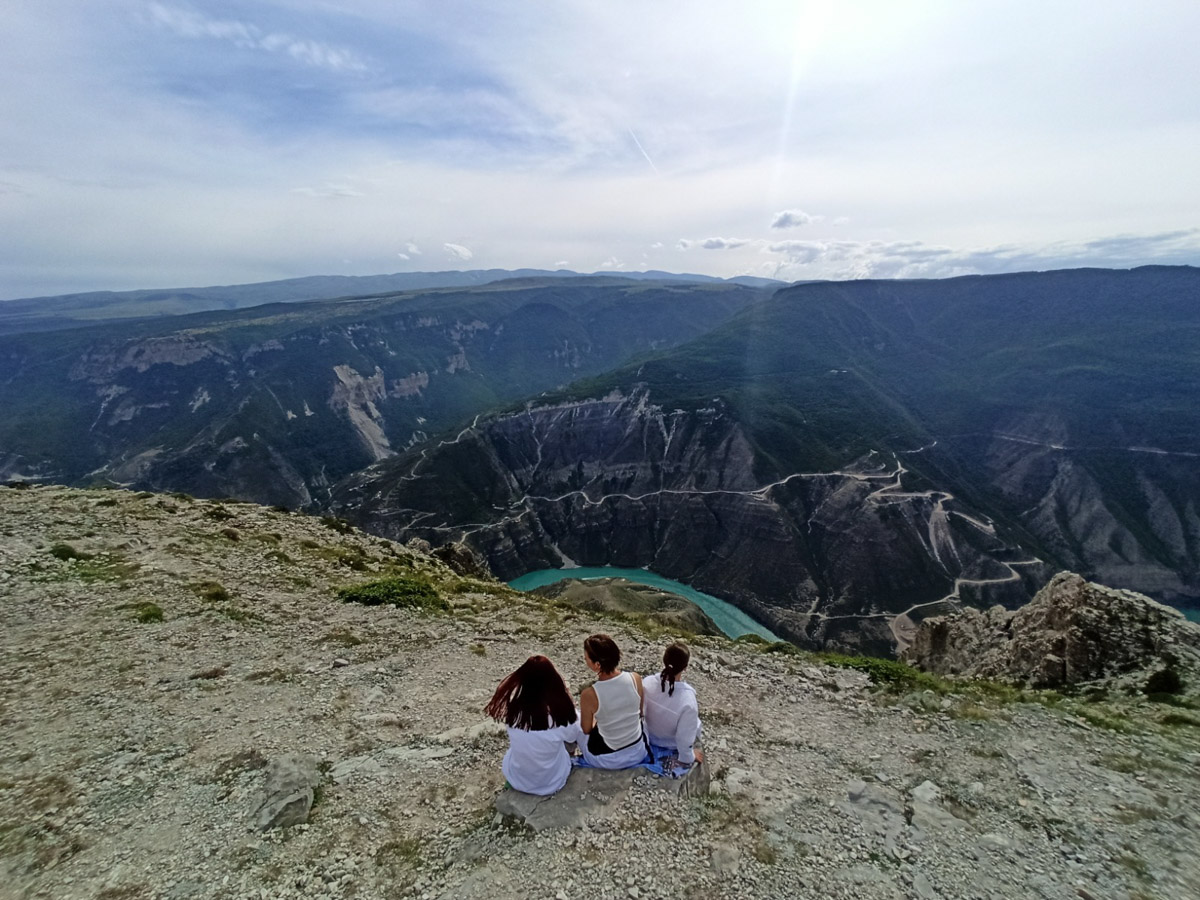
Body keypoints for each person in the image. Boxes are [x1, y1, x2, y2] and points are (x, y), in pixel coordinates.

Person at [485, 655, 582, 796]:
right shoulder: (559, 713)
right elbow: (574, 735)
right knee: (569, 739)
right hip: (552, 781)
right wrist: (568, 701)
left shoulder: (515, 709)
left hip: (518, 779)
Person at [578, 633, 650, 769]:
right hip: (638, 751)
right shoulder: (635, 678)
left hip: (608, 760)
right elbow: (640, 712)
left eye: (586, 658)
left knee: (577, 723)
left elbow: (586, 729)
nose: (585, 660)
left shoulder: (589, 694)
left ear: (597, 665)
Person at [642, 642, 703, 773]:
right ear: (685, 667)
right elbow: (684, 737)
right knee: (696, 724)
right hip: (669, 743)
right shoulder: (688, 700)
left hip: (648, 736)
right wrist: (689, 756)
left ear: (664, 660)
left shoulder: (647, 682)